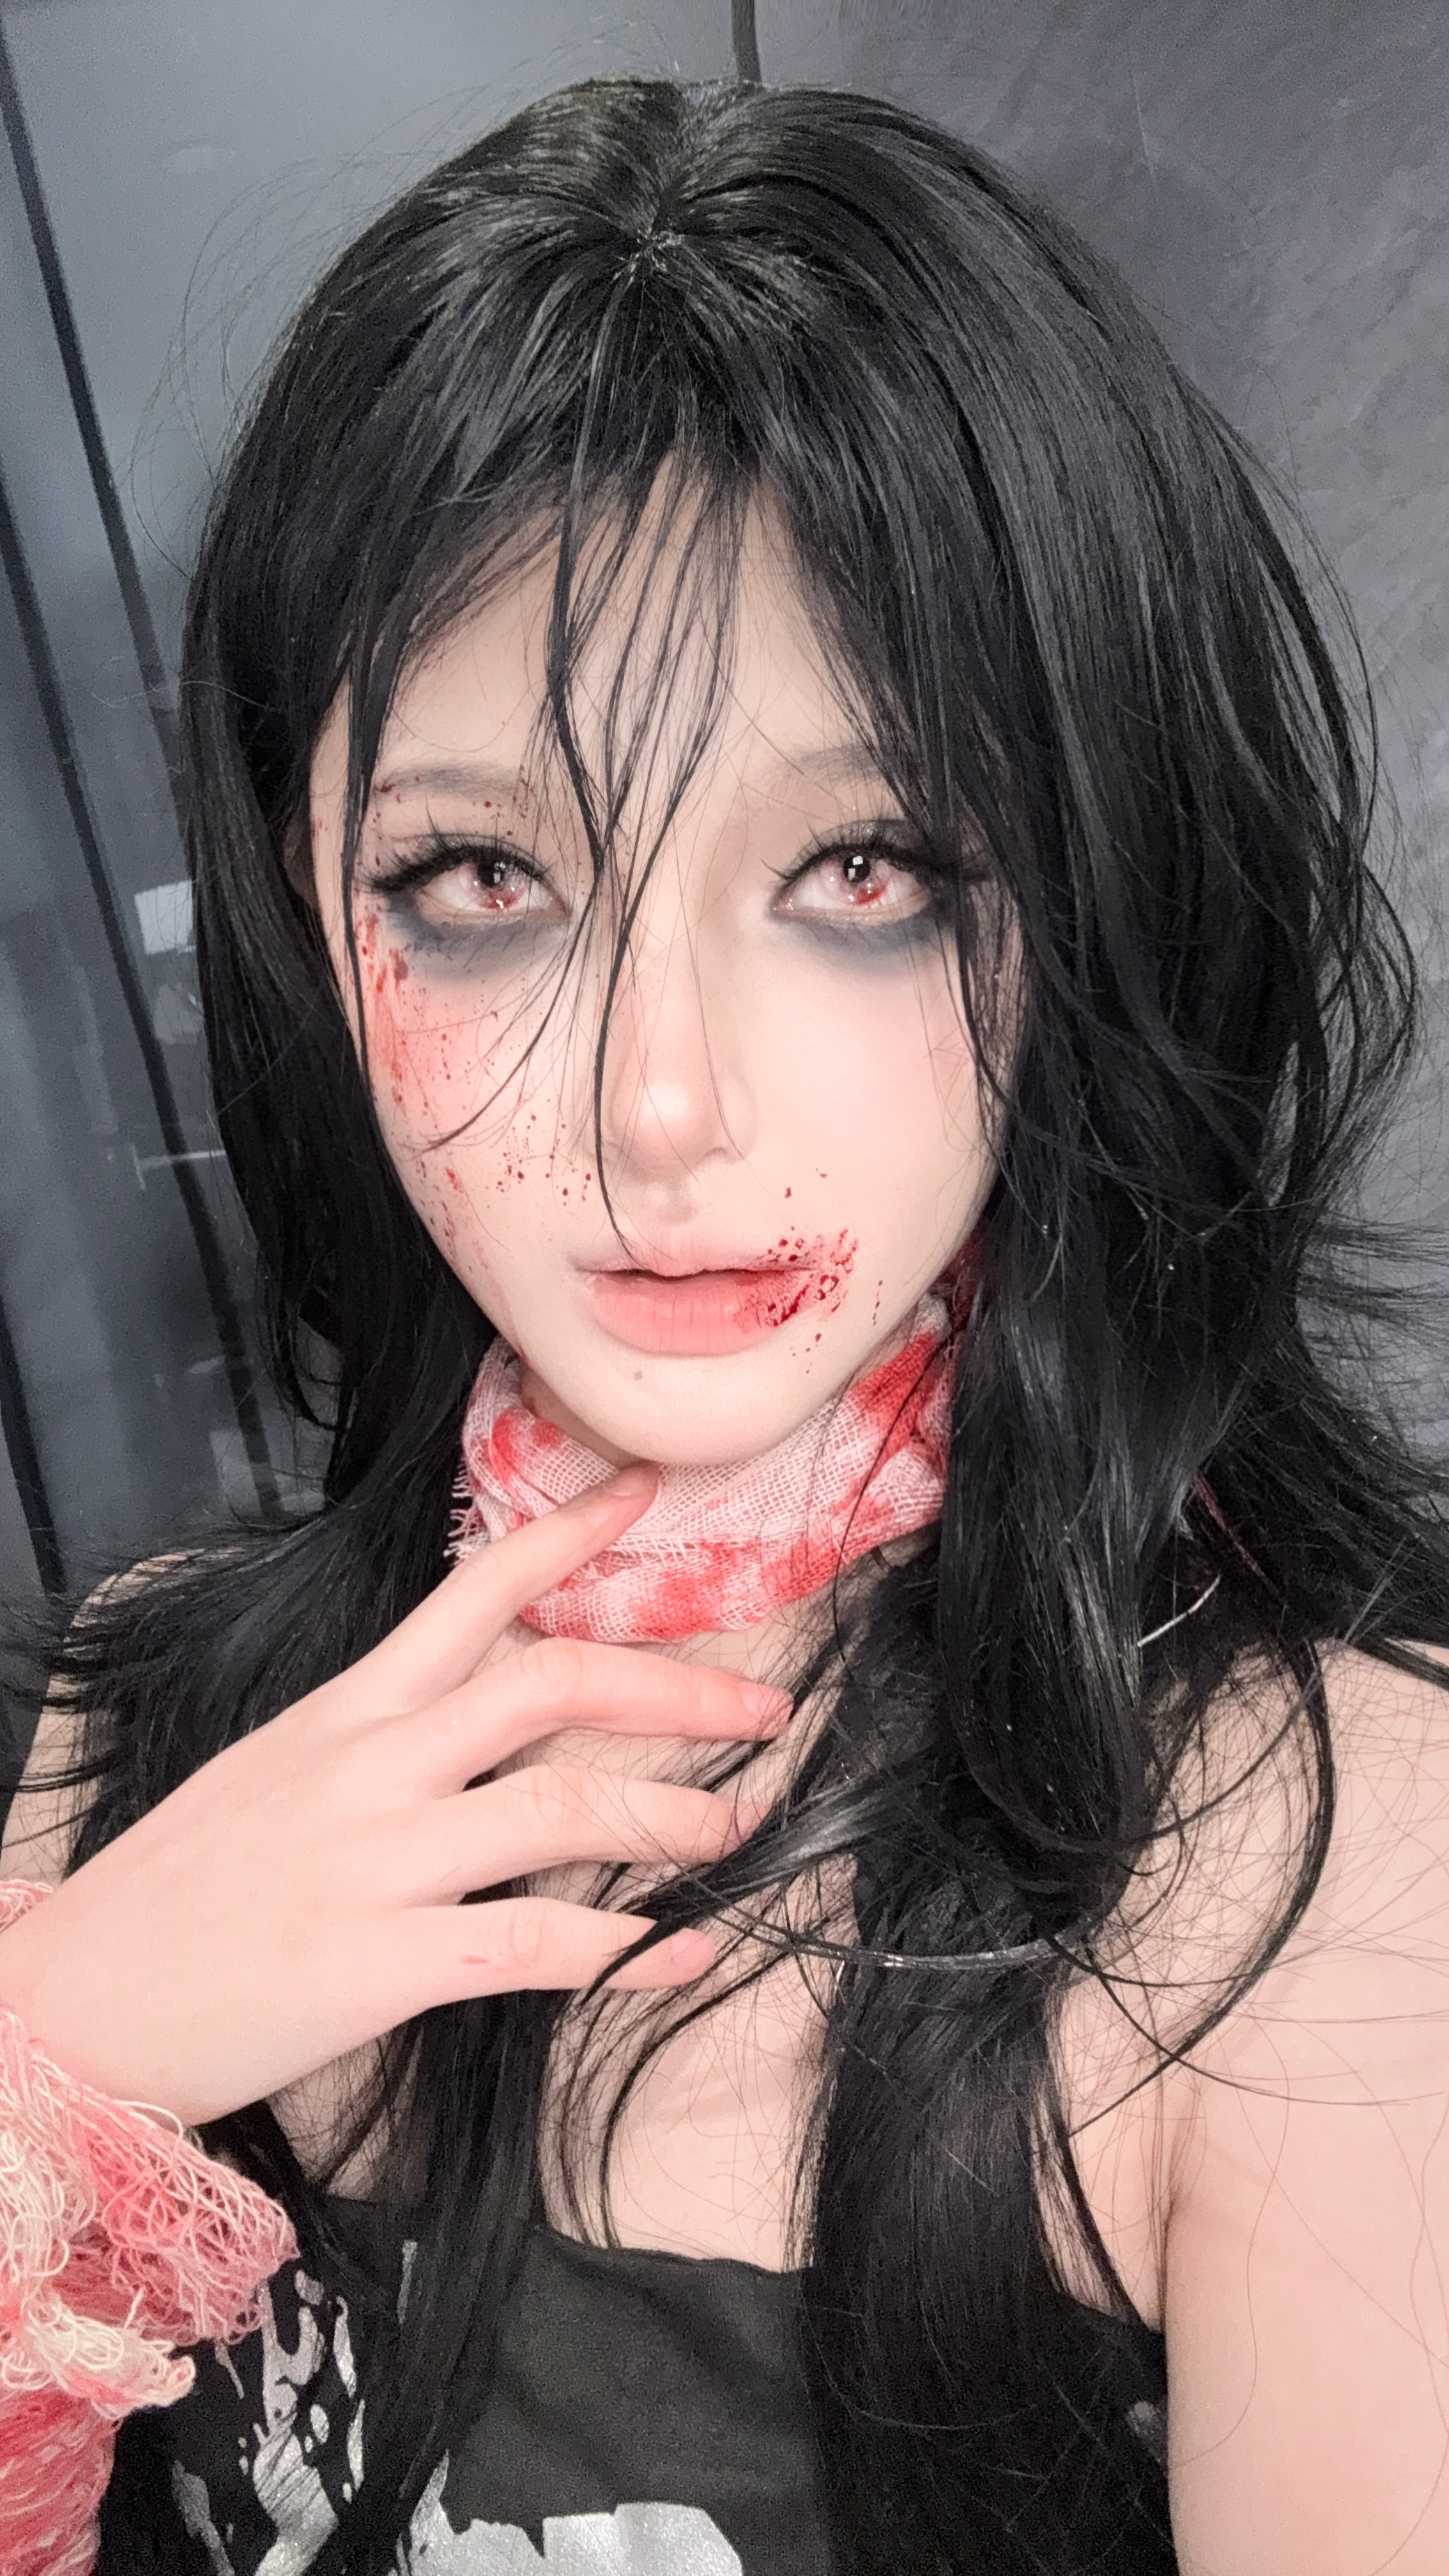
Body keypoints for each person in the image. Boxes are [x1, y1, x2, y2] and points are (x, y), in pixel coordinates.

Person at [1, 70, 1446, 2576]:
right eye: (478, 879)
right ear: (305, 921)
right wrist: (62, 2069)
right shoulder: (139, 1730)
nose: (660, 1110)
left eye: (867, 867)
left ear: (1096, 903)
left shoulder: (1327, 1885)